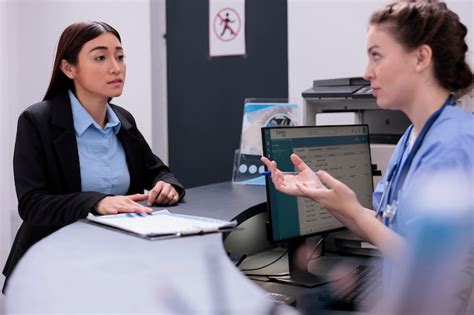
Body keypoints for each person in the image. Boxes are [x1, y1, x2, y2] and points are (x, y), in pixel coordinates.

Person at [262, 0, 473, 297]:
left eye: (377, 56)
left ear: (421, 57)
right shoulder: (413, 136)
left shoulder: (454, 143)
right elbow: (388, 229)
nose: (366, 72)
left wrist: (354, 213)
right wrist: (323, 195)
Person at [2, 21, 185, 292]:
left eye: (120, 56)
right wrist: (97, 203)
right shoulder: (37, 121)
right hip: (51, 270)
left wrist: (168, 185)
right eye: (100, 57)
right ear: (69, 68)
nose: (116, 67)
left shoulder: (123, 120)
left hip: (115, 264)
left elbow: (157, 170)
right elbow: (32, 204)